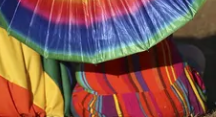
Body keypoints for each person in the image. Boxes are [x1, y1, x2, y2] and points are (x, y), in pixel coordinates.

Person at [71, 37, 208, 117]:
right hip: (173, 100)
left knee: (76, 95)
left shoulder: (81, 18)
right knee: (194, 53)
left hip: (109, 110)